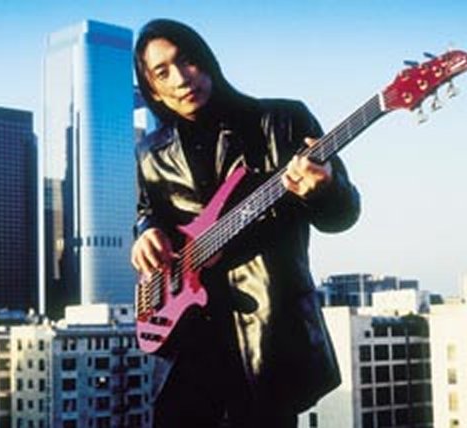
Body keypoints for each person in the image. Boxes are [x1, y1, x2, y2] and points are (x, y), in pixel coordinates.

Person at [131, 19, 360, 428]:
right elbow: (149, 212)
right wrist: (145, 233)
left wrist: (323, 189)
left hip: (268, 341)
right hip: (185, 347)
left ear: (208, 61)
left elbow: (343, 215)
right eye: (163, 72)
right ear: (152, 89)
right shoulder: (150, 152)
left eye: (187, 61)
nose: (181, 79)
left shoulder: (282, 120)